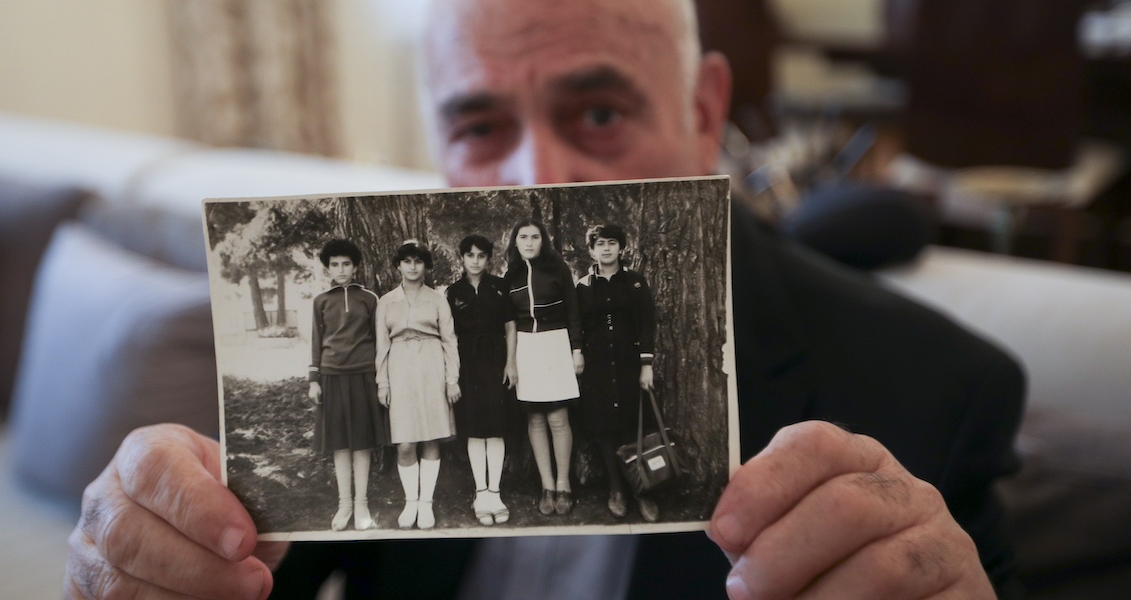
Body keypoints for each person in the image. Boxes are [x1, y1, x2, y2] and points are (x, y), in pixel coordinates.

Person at [63, 0, 1025, 598]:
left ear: (700, 116)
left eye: (598, 114)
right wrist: (162, 560)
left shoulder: (937, 390)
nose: (540, 176)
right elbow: (266, 559)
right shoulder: (440, 287)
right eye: (480, 125)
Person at [575, 224, 660, 523]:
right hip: (597, 367)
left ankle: (642, 491)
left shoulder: (635, 283)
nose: (607, 248)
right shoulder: (583, 286)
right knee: (605, 429)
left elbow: (647, 324)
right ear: (592, 250)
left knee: (632, 426)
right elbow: (578, 327)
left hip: (629, 365)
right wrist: (578, 355)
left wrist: (646, 364)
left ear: (621, 248)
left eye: (612, 243)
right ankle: (616, 491)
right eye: (600, 244)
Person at [375, 240, 461, 530]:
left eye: (418, 261)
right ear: (398, 265)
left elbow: (449, 340)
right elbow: (381, 345)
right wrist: (383, 383)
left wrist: (452, 380)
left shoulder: (437, 299)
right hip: (399, 367)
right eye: (407, 261)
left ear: (426, 266)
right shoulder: (386, 301)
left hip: (432, 366)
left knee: (431, 436)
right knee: (405, 441)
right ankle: (410, 501)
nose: (412, 267)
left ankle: (426, 503)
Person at [503, 219, 584, 516]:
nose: (529, 242)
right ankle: (546, 486)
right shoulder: (509, 275)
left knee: (558, 418)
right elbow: (508, 323)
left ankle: (564, 484)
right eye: (523, 237)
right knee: (535, 419)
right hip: (526, 347)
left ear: (543, 241)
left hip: (556, 343)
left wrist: (577, 349)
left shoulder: (558, 269)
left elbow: (574, 310)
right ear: (515, 242)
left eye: (535, 237)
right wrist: (511, 360)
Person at [307, 239, 388, 532]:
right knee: (340, 443)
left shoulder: (369, 298)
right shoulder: (321, 301)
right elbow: (316, 343)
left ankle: (362, 504)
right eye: (335, 265)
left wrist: (381, 378)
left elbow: (380, 341)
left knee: (362, 442)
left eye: (346, 264)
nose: (341, 270)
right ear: (328, 268)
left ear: (355, 267)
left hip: (363, 375)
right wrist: (314, 380)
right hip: (331, 376)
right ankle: (344, 504)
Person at [444, 234, 518, 526]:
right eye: (470, 255)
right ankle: (481, 492)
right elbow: (448, 337)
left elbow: (510, 327)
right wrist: (452, 375)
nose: (475, 261)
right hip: (467, 365)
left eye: (481, 256)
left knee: (496, 428)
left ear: (489, 259)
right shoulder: (453, 292)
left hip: (496, 361)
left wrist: (511, 363)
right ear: (461, 258)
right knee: (475, 429)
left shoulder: (500, 288)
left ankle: (496, 492)